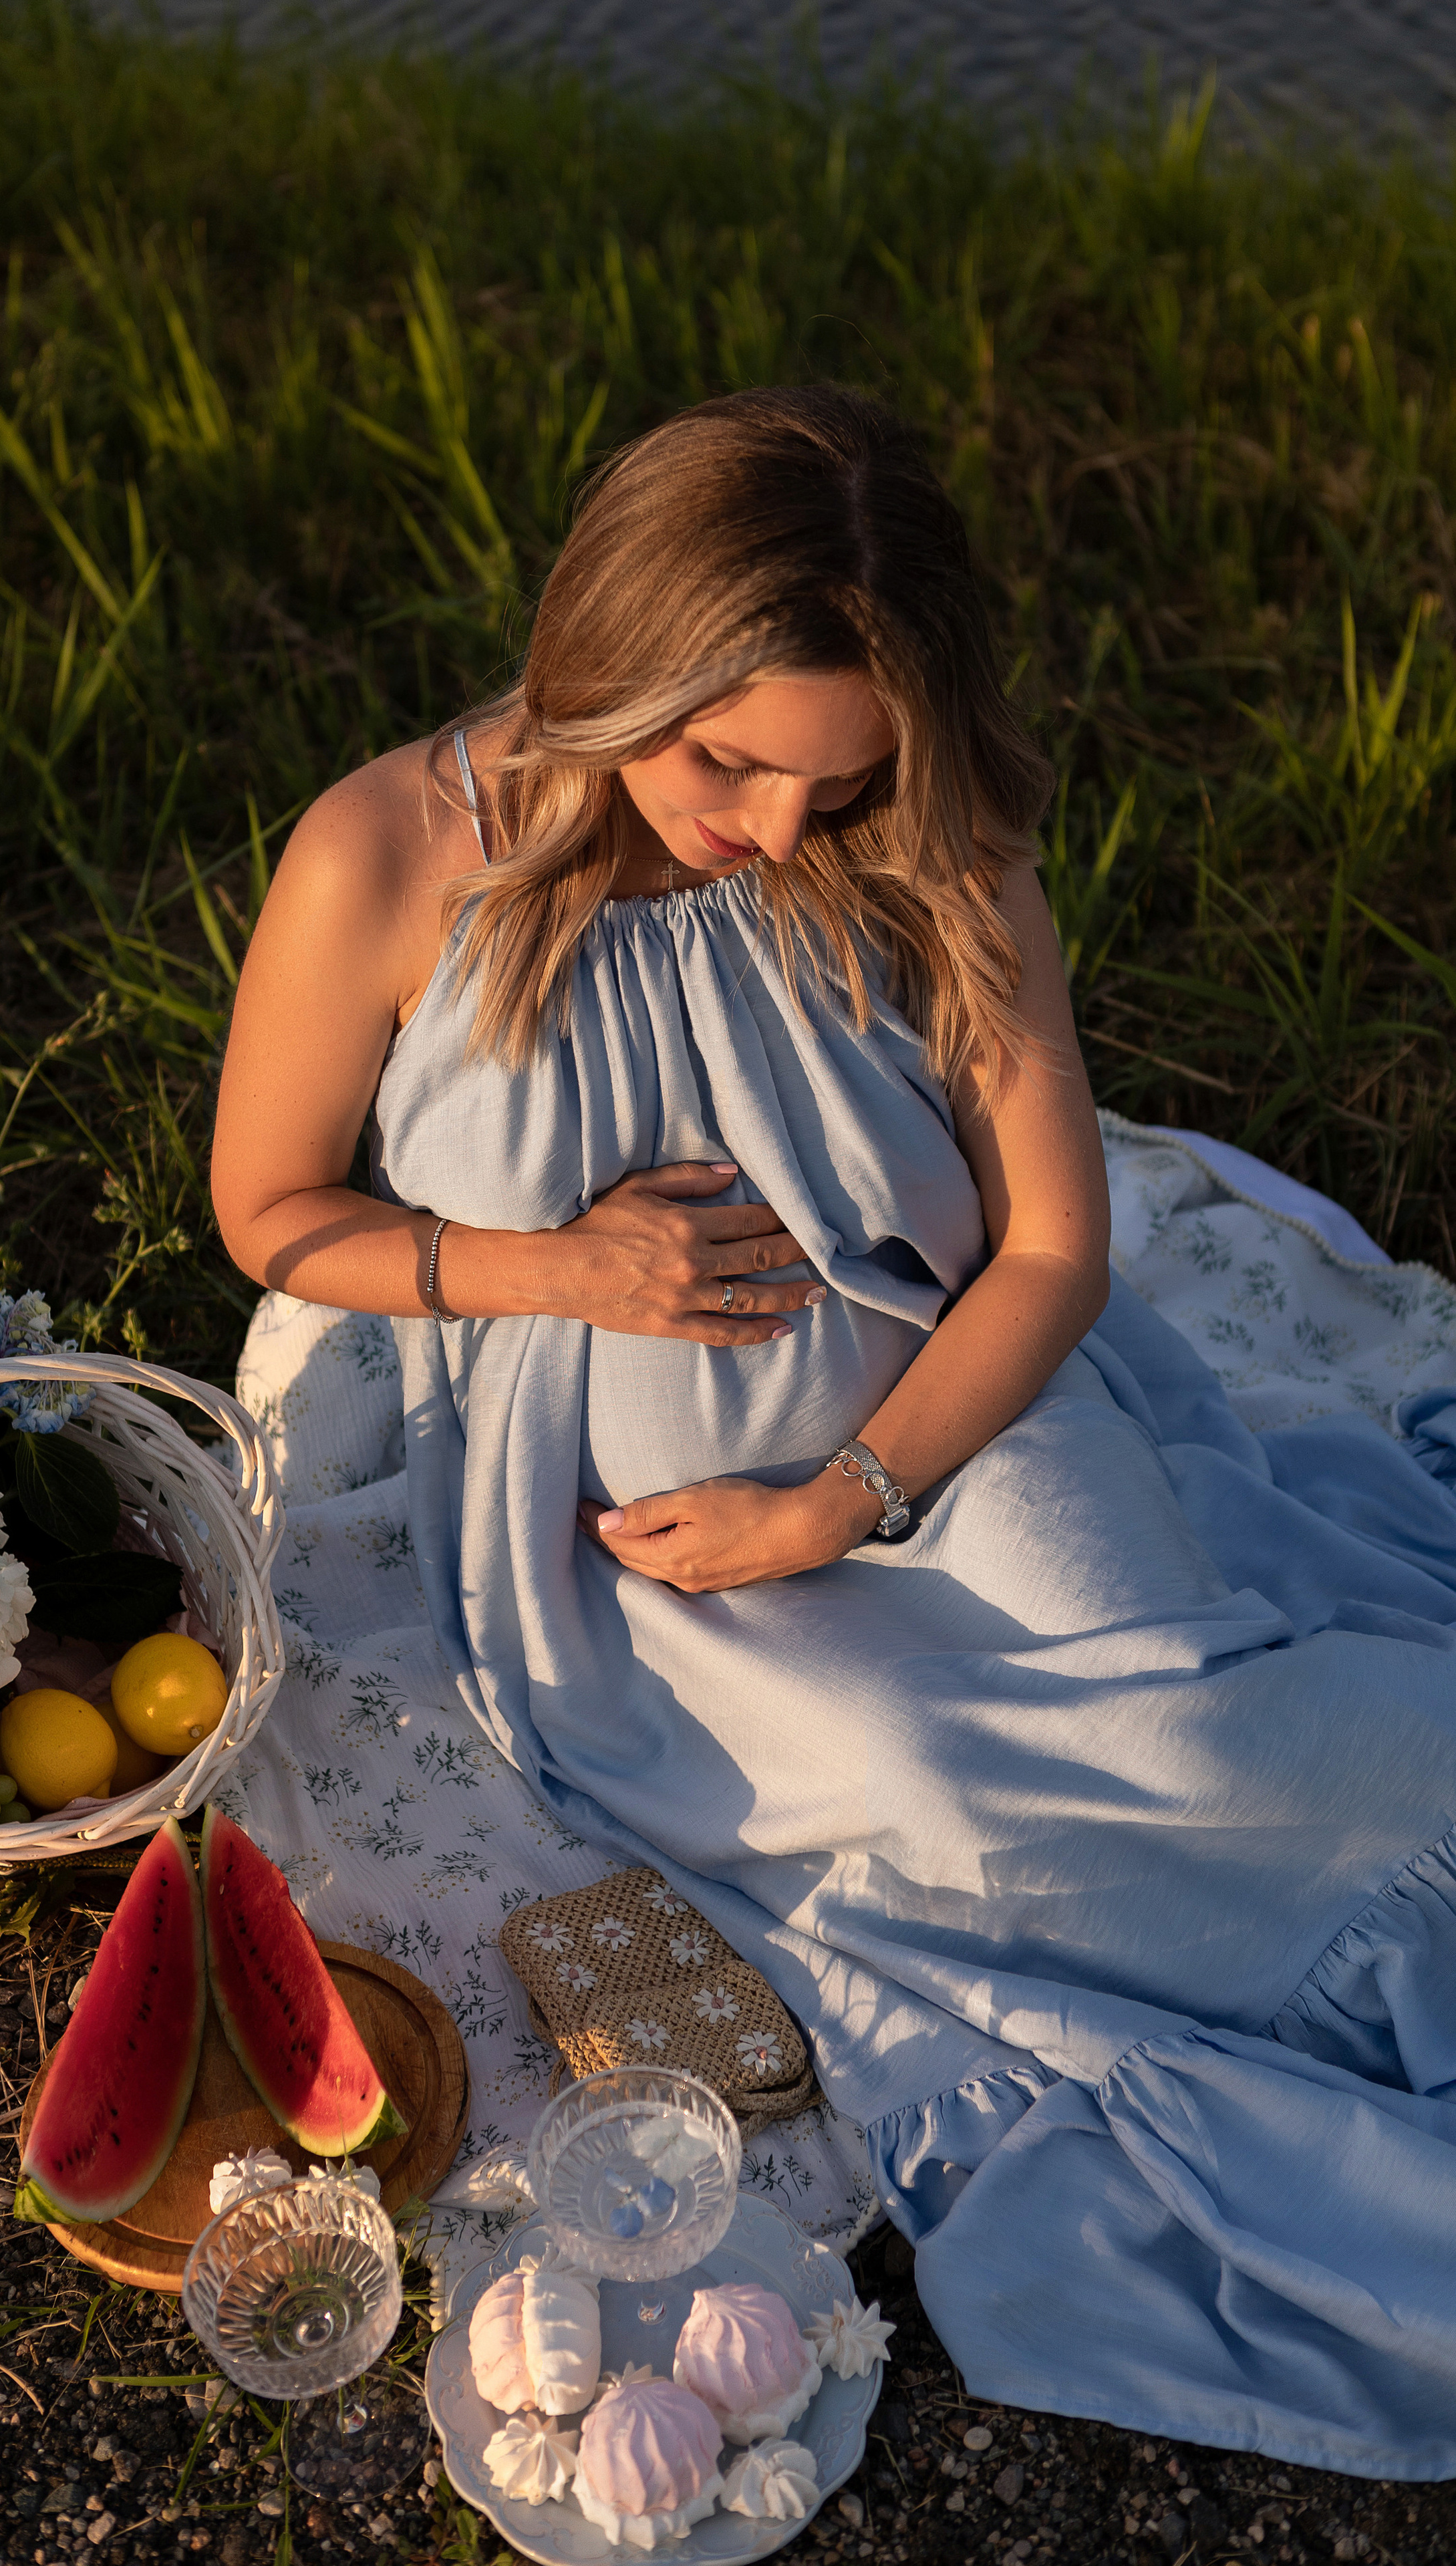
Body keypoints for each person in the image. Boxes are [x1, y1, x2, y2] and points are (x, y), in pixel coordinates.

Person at [213, 386, 1456, 2476]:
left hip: (947, 1402)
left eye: (833, 777)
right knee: (918, 1788)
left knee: (1191, 1726)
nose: (785, 828)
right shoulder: (391, 852)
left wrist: (849, 1496)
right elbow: (273, 1212)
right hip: (612, 1526)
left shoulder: (930, 838)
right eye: (731, 763)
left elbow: (1053, 1252)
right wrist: (568, 1276)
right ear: (615, 656)